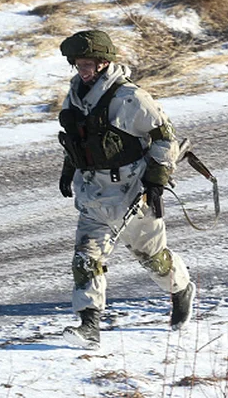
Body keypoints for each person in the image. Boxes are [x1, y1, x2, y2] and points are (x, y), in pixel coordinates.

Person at [57, 30, 196, 349]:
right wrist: (69, 169)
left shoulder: (130, 97)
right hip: (94, 193)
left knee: (152, 257)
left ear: (105, 63)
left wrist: (157, 179)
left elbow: (164, 137)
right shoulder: (76, 95)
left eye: (89, 63)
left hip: (134, 193)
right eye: (78, 64)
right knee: (86, 257)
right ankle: (89, 324)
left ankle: (180, 289)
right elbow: (76, 137)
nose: (83, 70)